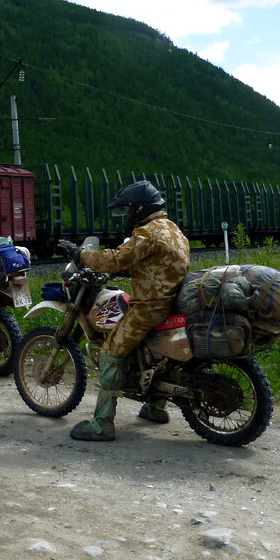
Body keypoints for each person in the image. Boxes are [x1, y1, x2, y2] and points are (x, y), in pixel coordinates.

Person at [58, 180, 191, 441]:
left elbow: (115, 258)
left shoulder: (147, 233)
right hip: (172, 302)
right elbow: (155, 264)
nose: (127, 217)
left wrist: (80, 255)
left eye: (128, 211)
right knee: (161, 358)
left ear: (140, 209)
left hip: (150, 307)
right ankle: (156, 407)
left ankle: (102, 424)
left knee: (110, 352)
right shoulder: (172, 229)